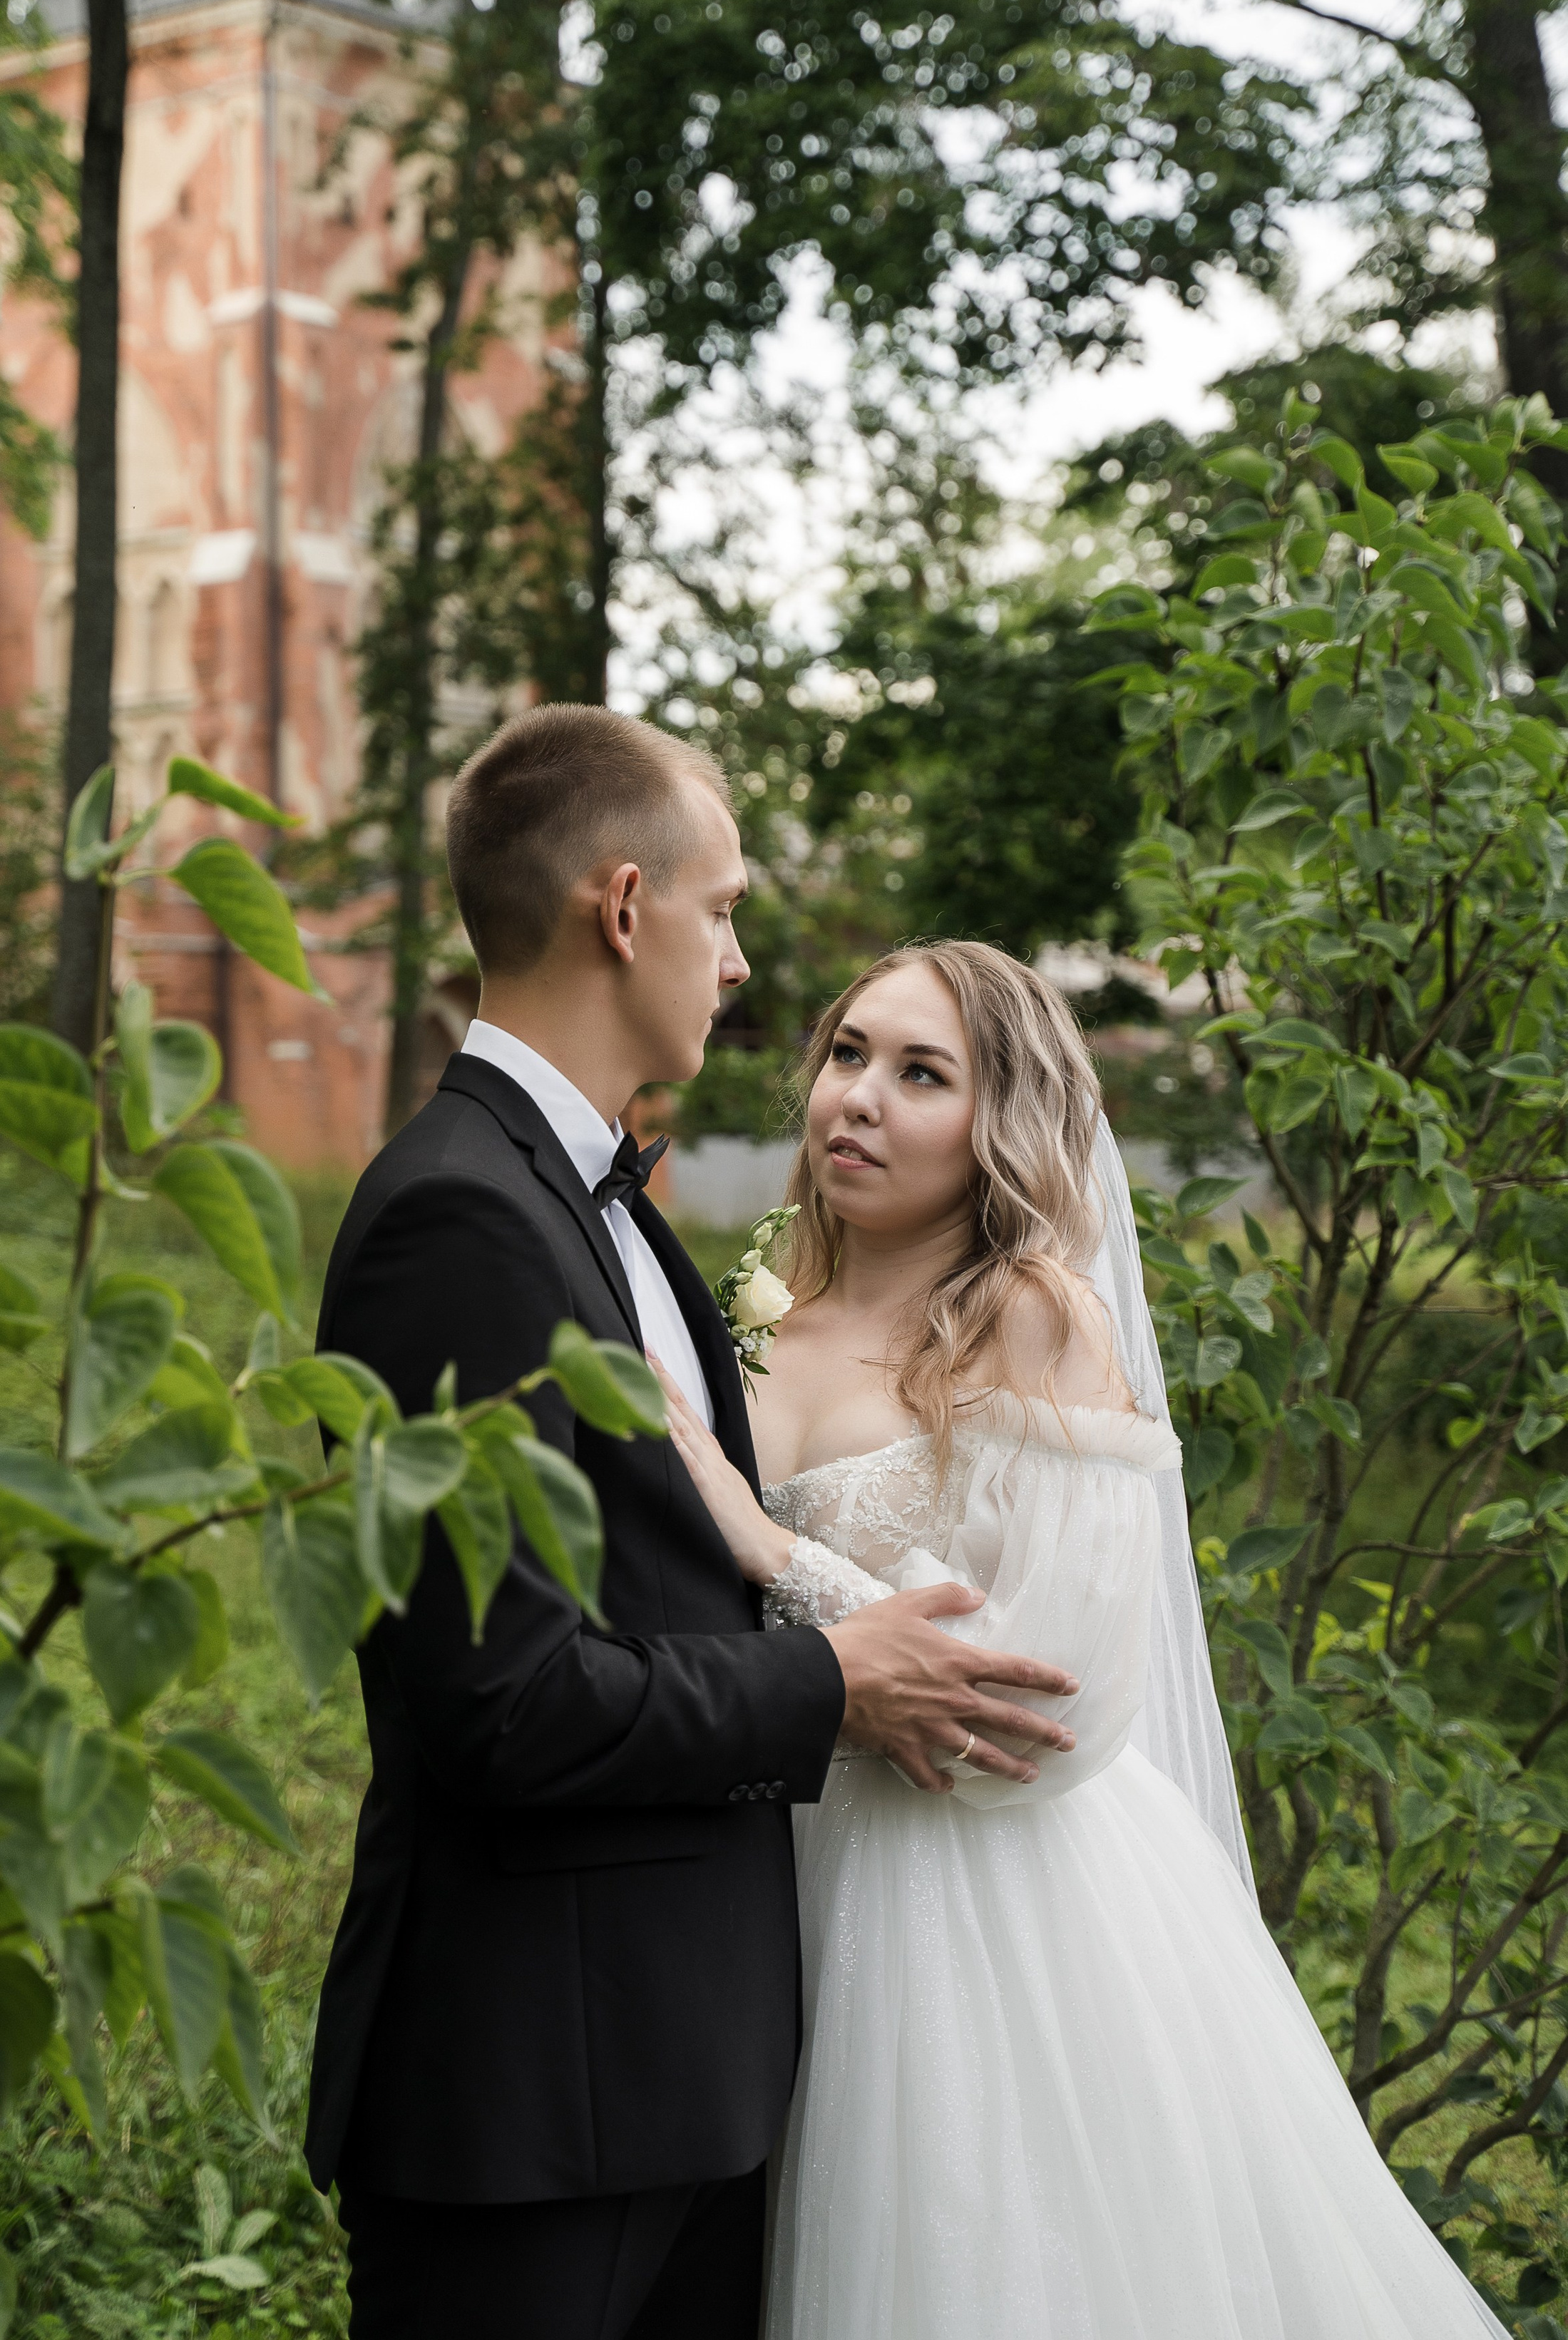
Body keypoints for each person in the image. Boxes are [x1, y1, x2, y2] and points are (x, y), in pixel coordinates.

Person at [303, 710, 1080, 2340]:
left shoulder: (599, 1202)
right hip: (538, 2095)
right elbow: (496, 1704)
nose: (737, 965)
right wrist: (831, 1684)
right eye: (722, 911)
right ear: (625, 903)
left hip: (690, 2070)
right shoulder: (456, 1214)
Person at [662, 938, 1507, 2340]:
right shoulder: (755, 1320)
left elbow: (1035, 1720)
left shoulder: (1032, 1321)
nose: (858, 1097)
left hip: (981, 1914)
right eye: (848, 1052)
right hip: (774, 1871)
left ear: (1001, 1123)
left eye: (921, 1073)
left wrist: (764, 1546)